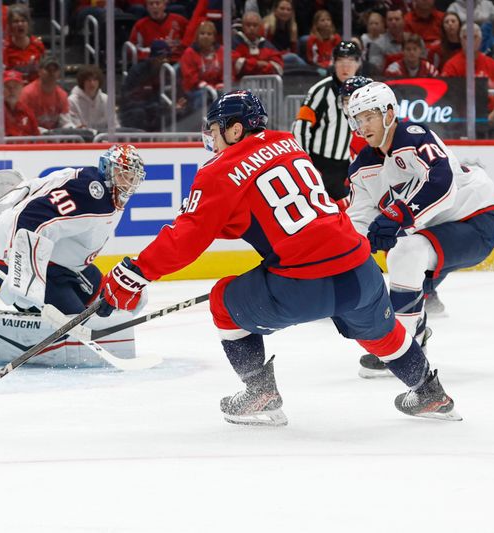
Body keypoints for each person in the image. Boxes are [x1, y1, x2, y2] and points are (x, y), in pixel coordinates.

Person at [96, 90, 462, 424]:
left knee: (224, 300)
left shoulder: (218, 171)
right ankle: (430, 393)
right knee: (382, 332)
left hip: (303, 284)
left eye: (216, 129)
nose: (211, 138)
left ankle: (260, 394)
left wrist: (136, 272)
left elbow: (188, 237)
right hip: (359, 269)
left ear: (236, 129)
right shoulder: (289, 143)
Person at [346, 81, 494, 379]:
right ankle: (410, 332)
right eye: (358, 119)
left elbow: (442, 184)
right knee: (403, 255)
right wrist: (348, 252)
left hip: (475, 219)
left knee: (405, 252)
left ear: (389, 113)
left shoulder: (413, 136)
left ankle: (406, 348)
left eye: (369, 117)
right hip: (436, 232)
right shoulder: (361, 168)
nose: (363, 126)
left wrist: (398, 215)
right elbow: (359, 220)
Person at [0, 145, 146, 367]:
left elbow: (38, 185)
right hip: (11, 260)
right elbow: (29, 217)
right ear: (107, 169)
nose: (128, 182)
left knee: (115, 298)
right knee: (74, 325)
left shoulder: (96, 187)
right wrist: (24, 276)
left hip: (61, 266)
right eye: (123, 174)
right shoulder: (92, 193)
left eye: (133, 177)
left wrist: (20, 192)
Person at [292, 41, 361, 207]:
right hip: (319, 163)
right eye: (341, 61)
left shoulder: (364, 91)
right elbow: (301, 127)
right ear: (334, 62)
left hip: (348, 166)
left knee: (348, 213)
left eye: (350, 61)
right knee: (313, 208)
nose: (345, 67)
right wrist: (305, 163)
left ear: (358, 63)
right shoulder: (320, 90)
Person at [19, 54, 76, 132]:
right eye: (48, 69)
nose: (51, 73)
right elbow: (24, 122)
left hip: (54, 137)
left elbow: (65, 121)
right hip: (32, 136)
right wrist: (46, 133)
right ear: (39, 71)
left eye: (54, 70)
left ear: (59, 73)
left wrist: (72, 128)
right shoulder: (27, 93)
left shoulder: (62, 94)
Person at [0, 69, 39, 137]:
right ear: (0, 89)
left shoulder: (25, 110)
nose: (12, 90)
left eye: (15, 86)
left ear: (22, 88)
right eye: (7, 86)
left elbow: (37, 135)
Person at [232, 10, 284, 78]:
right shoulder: (234, 43)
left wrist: (250, 65)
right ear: (243, 26)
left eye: (255, 25)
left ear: (260, 27)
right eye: (248, 25)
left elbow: (278, 67)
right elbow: (235, 65)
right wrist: (259, 64)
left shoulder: (267, 45)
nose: (251, 28)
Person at [69, 64, 118, 132]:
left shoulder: (106, 99)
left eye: (95, 80)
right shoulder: (72, 101)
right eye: (88, 80)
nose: (92, 83)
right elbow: (75, 127)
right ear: (82, 82)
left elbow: (114, 125)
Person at [3, 5, 44, 83]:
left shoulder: (38, 45)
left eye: (23, 21)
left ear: (28, 23)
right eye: (16, 21)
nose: (20, 24)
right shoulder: (4, 48)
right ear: (10, 25)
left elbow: (44, 71)